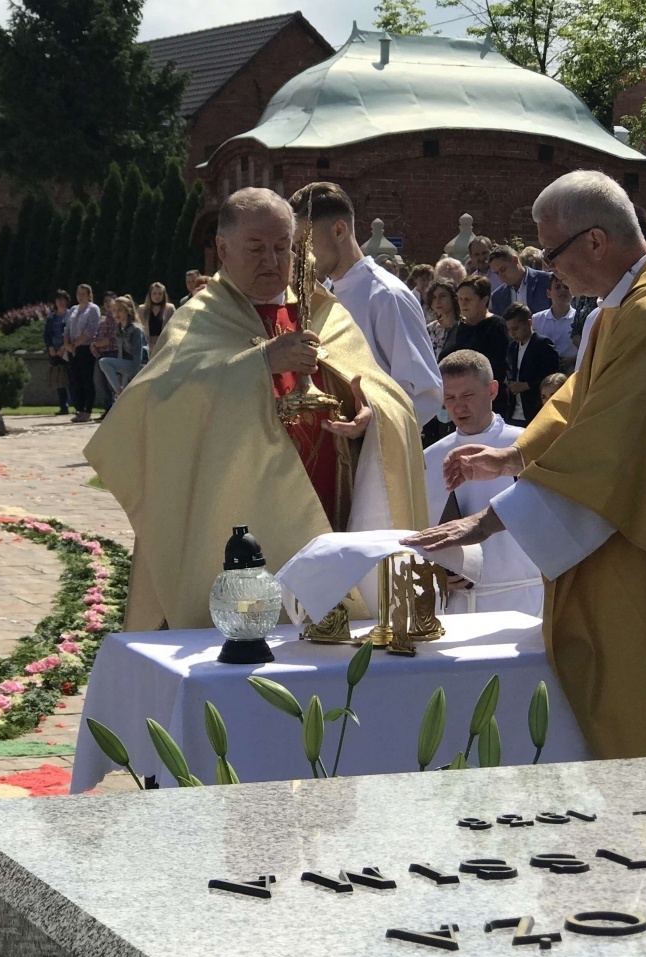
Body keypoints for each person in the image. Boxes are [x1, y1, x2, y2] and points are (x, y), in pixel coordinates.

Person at [405, 170, 646, 760]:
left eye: (552, 253)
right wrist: (514, 454)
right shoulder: (627, 309)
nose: (550, 271)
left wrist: (490, 521)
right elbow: (580, 400)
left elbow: (607, 445)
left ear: (595, 240)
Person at [85, 187, 427, 630]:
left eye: (283, 247)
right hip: (241, 510)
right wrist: (261, 362)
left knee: (331, 635)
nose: (272, 260)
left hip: (331, 503)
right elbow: (159, 403)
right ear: (223, 248)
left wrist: (370, 419)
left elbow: (388, 396)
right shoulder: (199, 319)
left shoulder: (322, 311)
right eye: (256, 248)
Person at [290, 181, 442, 426]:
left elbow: (424, 394)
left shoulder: (386, 295)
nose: (300, 256)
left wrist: (371, 426)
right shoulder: (323, 293)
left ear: (339, 231)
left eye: (305, 243)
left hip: (377, 446)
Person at [423, 350, 544, 617]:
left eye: (468, 395)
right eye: (449, 398)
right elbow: (422, 529)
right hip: (457, 606)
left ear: (492, 390)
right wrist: (435, 569)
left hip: (523, 601)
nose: (458, 407)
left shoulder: (525, 446)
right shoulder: (430, 458)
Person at [443, 276, 512, 416]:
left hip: (486, 403)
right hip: (455, 402)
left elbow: (497, 367)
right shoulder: (456, 328)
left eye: (468, 299)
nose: (463, 303)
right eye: (460, 299)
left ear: (484, 300)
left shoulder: (496, 326)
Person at [503, 303, 560, 425]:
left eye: (515, 329)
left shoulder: (543, 345)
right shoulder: (513, 347)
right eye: (509, 330)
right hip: (514, 412)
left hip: (535, 411)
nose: (512, 334)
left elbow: (552, 378)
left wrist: (527, 385)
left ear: (529, 323)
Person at [97, 295, 149, 399]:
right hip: (127, 365)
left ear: (128, 311)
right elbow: (121, 353)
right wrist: (122, 377)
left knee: (104, 362)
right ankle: (119, 392)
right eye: (114, 310)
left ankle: (119, 392)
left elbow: (138, 358)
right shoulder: (118, 328)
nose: (116, 313)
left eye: (120, 310)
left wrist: (131, 379)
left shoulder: (136, 330)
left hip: (139, 367)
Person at [65, 283, 101, 422]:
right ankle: (79, 409)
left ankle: (87, 410)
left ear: (89, 295)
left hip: (85, 348)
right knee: (75, 379)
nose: (80, 296)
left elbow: (90, 330)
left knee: (86, 379)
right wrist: (67, 344)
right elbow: (67, 328)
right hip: (72, 349)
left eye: (83, 294)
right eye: (78, 293)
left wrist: (76, 344)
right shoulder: (73, 309)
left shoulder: (93, 309)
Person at [488, 244, 552, 318]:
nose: (501, 276)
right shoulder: (498, 297)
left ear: (515, 260)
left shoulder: (547, 281)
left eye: (503, 269)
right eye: (497, 273)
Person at [532, 273, 578, 372]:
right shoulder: (536, 319)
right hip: (543, 374)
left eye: (566, 287)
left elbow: (588, 349)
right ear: (549, 293)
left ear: (573, 292)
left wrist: (572, 360)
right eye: (557, 287)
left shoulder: (579, 319)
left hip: (571, 374)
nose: (562, 290)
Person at [90, 293, 119, 418]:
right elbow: (96, 335)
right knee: (99, 381)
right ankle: (107, 408)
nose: (107, 304)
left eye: (110, 301)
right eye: (105, 301)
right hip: (100, 354)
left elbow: (110, 338)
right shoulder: (102, 319)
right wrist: (93, 346)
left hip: (112, 353)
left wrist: (97, 344)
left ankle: (114, 409)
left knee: (110, 382)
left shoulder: (117, 319)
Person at [44, 290, 71, 415]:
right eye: (58, 300)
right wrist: (50, 347)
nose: (60, 302)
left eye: (62, 299)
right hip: (54, 352)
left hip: (67, 351)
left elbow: (71, 333)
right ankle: (63, 406)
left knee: (71, 378)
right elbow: (47, 334)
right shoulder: (51, 317)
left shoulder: (71, 315)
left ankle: (77, 405)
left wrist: (63, 347)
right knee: (58, 379)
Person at [425, 279, 459, 359]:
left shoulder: (465, 327)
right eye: (434, 297)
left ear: (453, 298)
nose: (437, 301)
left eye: (443, 296)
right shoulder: (430, 329)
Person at [137, 282, 175, 354]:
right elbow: (139, 329)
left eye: (160, 294)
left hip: (164, 345)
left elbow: (173, 328)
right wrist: (149, 345)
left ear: (163, 295)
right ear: (150, 295)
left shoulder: (170, 309)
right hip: (147, 345)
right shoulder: (142, 309)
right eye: (154, 293)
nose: (157, 296)